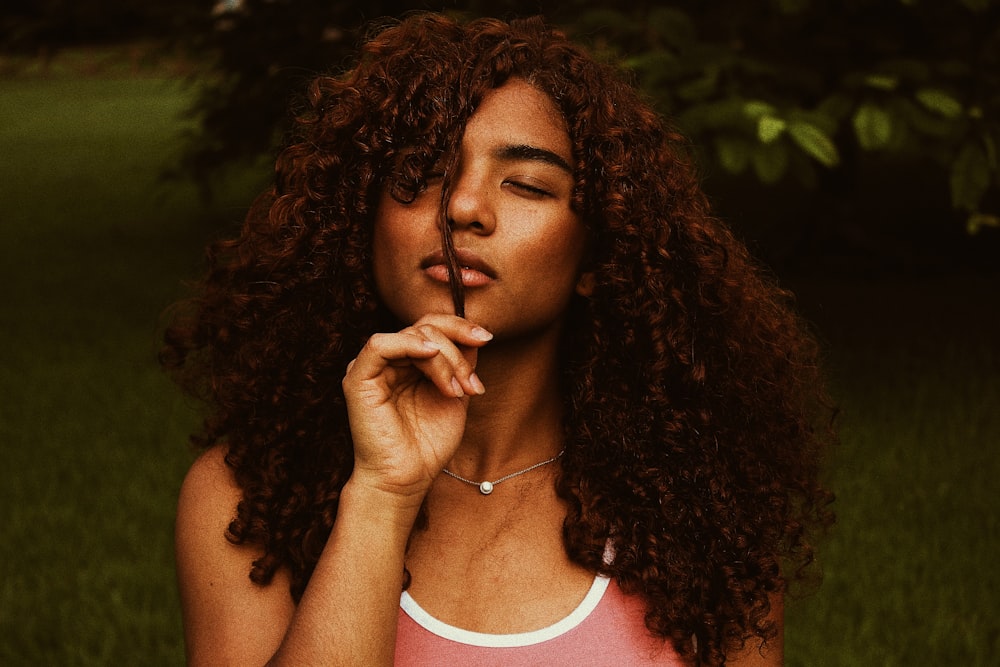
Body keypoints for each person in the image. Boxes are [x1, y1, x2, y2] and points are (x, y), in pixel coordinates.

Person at [162, 12, 834, 666]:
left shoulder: (705, 507)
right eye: (421, 174)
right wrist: (379, 496)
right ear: (359, 222)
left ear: (600, 259)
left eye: (528, 185)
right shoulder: (243, 496)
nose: (462, 207)